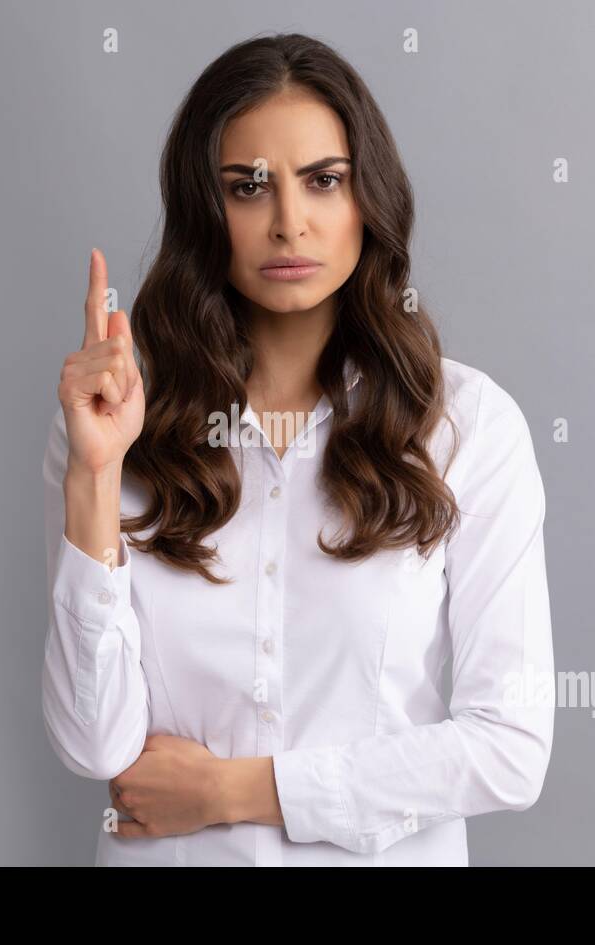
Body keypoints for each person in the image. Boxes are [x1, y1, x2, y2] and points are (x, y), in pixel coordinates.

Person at [42, 32, 554, 866]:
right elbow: (95, 748)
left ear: (368, 198)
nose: (289, 223)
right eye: (247, 187)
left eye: (324, 180)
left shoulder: (467, 427)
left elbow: (510, 747)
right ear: (205, 212)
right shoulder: (113, 423)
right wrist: (95, 477)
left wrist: (234, 791)